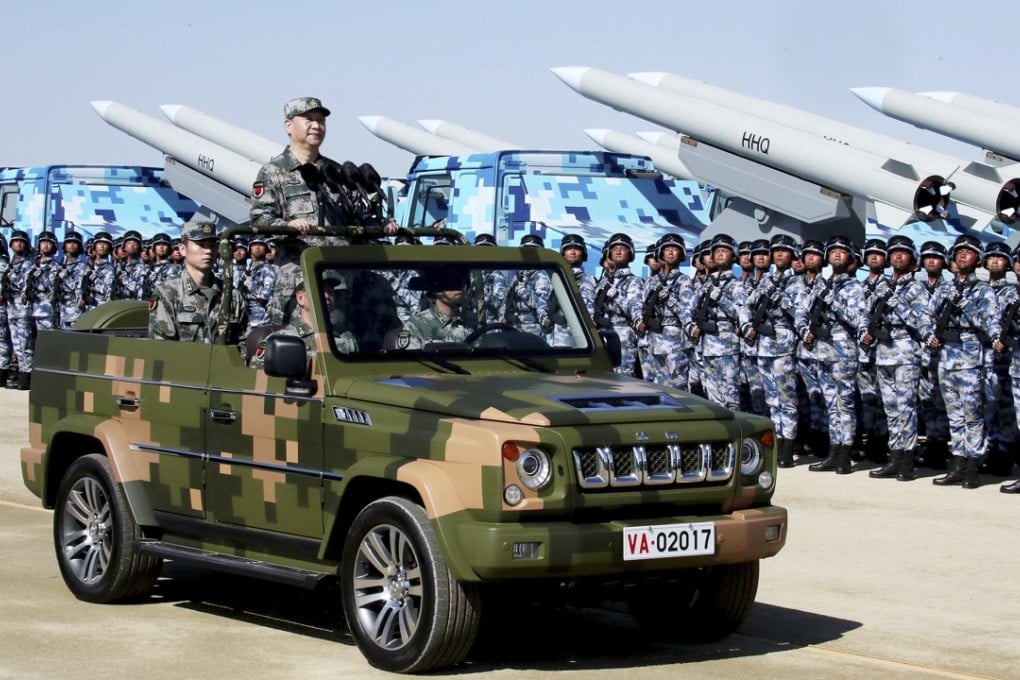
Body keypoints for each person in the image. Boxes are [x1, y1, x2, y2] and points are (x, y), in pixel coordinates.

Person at [928, 234, 1001, 489]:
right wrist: (930, 336)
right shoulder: (946, 288)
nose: (962, 256)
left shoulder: (983, 290)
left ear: (977, 259)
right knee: (954, 416)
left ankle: (972, 465)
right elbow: (929, 315)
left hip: (970, 358)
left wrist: (967, 308)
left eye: (968, 252)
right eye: (959, 252)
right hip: (946, 357)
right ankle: (958, 463)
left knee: (973, 416)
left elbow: (991, 324)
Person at [859, 235, 931, 481]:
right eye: (894, 253)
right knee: (890, 409)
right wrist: (864, 333)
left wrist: (898, 305)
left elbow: (923, 323)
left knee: (905, 408)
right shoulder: (882, 285)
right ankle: (895, 457)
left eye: (903, 253)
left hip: (906, 354)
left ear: (912, 258)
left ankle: (908, 460)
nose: (898, 256)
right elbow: (865, 313)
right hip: (883, 353)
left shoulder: (916, 287)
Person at [798, 235, 866, 474]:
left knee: (844, 403)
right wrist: (805, 330)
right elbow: (802, 311)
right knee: (830, 405)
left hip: (843, 352)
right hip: (821, 351)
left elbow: (858, 320)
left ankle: (845, 454)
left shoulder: (854, 287)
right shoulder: (820, 284)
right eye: (833, 250)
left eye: (842, 251)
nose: (837, 254)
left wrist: (834, 302)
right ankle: (833, 451)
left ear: (849, 258)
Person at [746, 234, 800, 467]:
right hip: (764, 344)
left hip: (783, 342)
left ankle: (788, 446)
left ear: (792, 255)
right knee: (771, 399)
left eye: (784, 251)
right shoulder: (766, 280)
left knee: (786, 398)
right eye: (775, 251)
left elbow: (801, 313)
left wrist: (781, 298)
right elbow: (749, 303)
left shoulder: (796, 282)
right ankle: (776, 441)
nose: (778, 254)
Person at [148, 221, 247, 343]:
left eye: (211, 245)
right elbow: (161, 346)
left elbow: (244, 343)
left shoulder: (232, 296)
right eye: (201, 244)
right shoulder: (168, 293)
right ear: (183, 249)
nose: (208, 251)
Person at [684, 233, 750, 411]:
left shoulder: (736, 285)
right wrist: (690, 326)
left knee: (731, 398)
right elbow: (688, 310)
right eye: (717, 251)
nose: (720, 254)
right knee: (712, 398)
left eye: (725, 251)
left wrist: (721, 298)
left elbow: (741, 314)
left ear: (733, 256)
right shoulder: (706, 284)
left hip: (727, 347)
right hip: (707, 347)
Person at [250, 278, 356, 370]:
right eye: (320, 291)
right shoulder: (279, 340)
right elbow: (257, 381)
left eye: (330, 292)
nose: (327, 296)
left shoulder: (346, 338)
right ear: (300, 298)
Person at [637, 233, 693, 389]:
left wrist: (669, 299)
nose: (670, 252)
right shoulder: (652, 281)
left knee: (677, 387)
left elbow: (688, 312)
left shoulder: (683, 281)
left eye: (674, 249)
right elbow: (640, 305)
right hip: (653, 339)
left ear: (681, 254)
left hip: (675, 341)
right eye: (667, 249)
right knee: (656, 387)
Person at [591, 233, 644, 376]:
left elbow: (635, 310)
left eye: (623, 248)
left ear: (630, 253)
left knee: (623, 378)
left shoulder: (633, 281)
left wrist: (616, 296)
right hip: (603, 333)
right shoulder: (604, 281)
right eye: (615, 249)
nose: (619, 251)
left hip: (623, 335)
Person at [398, 269, 475, 348]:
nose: (462, 287)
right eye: (455, 282)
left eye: (465, 282)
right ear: (437, 288)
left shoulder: (473, 323)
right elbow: (408, 359)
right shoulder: (416, 325)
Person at [2, 230, 34, 389]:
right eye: (15, 241)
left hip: (22, 310)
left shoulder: (28, 265)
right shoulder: (10, 265)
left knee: (23, 345)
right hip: (10, 309)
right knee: (14, 344)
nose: (19, 244)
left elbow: (27, 288)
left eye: (22, 241)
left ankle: (25, 378)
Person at [54, 231, 87, 330]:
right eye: (69, 242)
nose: (72, 245)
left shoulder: (82, 266)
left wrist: (66, 277)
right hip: (60, 309)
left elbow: (78, 287)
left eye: (75, 243)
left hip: (75, 310)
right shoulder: (59, 265)